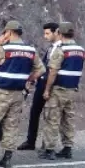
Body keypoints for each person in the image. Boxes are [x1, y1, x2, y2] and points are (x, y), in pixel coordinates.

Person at [0, 20, 44, 168]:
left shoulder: (4, 48)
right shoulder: (31, 50)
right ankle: (7, 158)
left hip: (0, 91)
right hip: (18, 93)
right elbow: (41, 69)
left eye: (5, 32)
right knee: (11, 125)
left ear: (10, 32)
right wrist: (28, 79)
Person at [39, 22, 85, 160]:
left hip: (58, 90)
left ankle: (49, 150)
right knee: (68, 120)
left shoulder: (61, 50)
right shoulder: (81, 50)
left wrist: (47, 90)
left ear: (59, 33)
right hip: (72, 90)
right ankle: (67, 148)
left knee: (52, 119)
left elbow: (53, 72)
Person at [19, 22, 61, 150]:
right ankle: (31, 141)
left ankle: (47, 144)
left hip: (52, 85)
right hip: (42, 83)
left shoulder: (60, 48)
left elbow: (53, 69)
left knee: (50, 115)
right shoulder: (51, 48)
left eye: (48, 33)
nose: (45, 36)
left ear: (56, 32)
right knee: (35, 112)